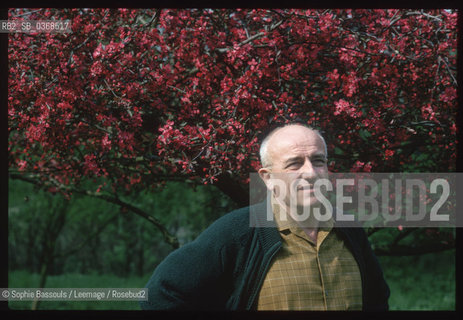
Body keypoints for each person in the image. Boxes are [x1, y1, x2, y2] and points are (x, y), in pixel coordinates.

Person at [140, 123, 390, 311]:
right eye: (294, 163)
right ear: (267, 178)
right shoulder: (237, 232)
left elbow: (378, 301)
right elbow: (160, 294)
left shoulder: (348, 229)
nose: (311, 172)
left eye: (318, 161)